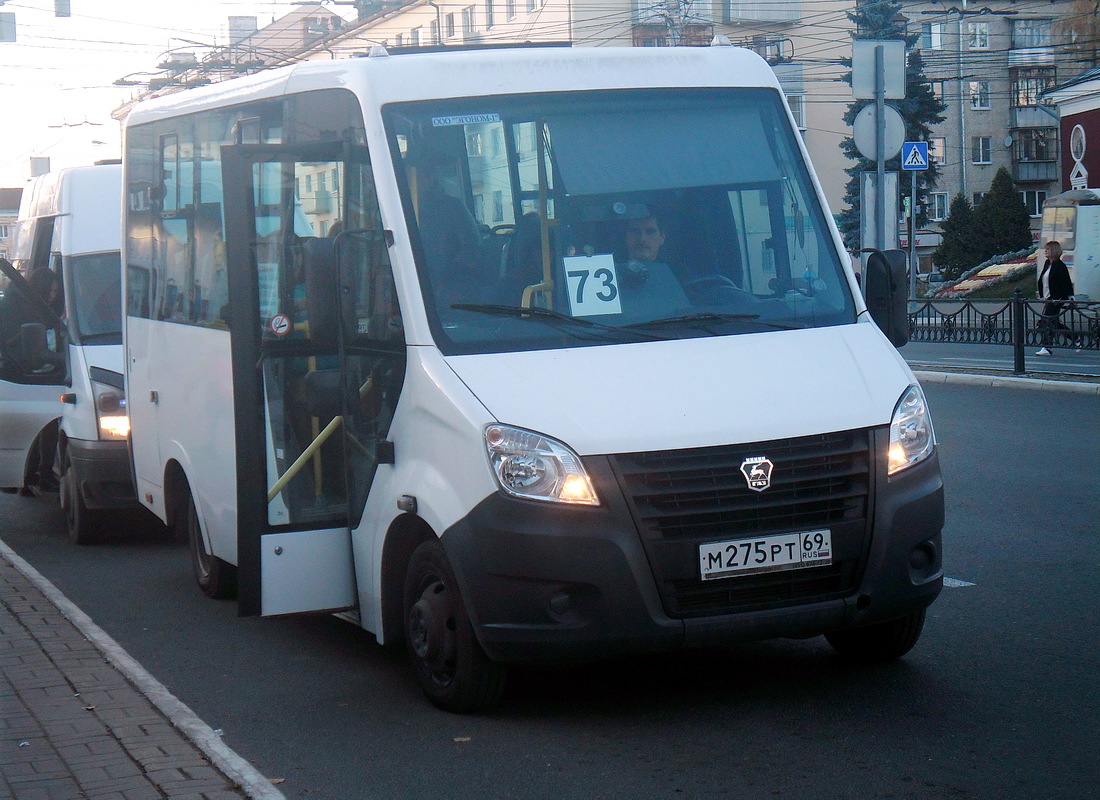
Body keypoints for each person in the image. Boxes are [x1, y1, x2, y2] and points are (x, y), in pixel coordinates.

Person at [1035, 240, 1075, 356]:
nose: (1045, 251)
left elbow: (1065, 282)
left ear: (1053, 250)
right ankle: (1076, 338)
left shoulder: (1060, 265)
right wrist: (1042, 295)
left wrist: (1069, 296)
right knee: (1055, 322)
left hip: (1057, 299)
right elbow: (1043, 280)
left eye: (1047, 249)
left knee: (1047, 321)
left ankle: (1047, 347)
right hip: (1048, 298)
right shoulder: (1048, 263)